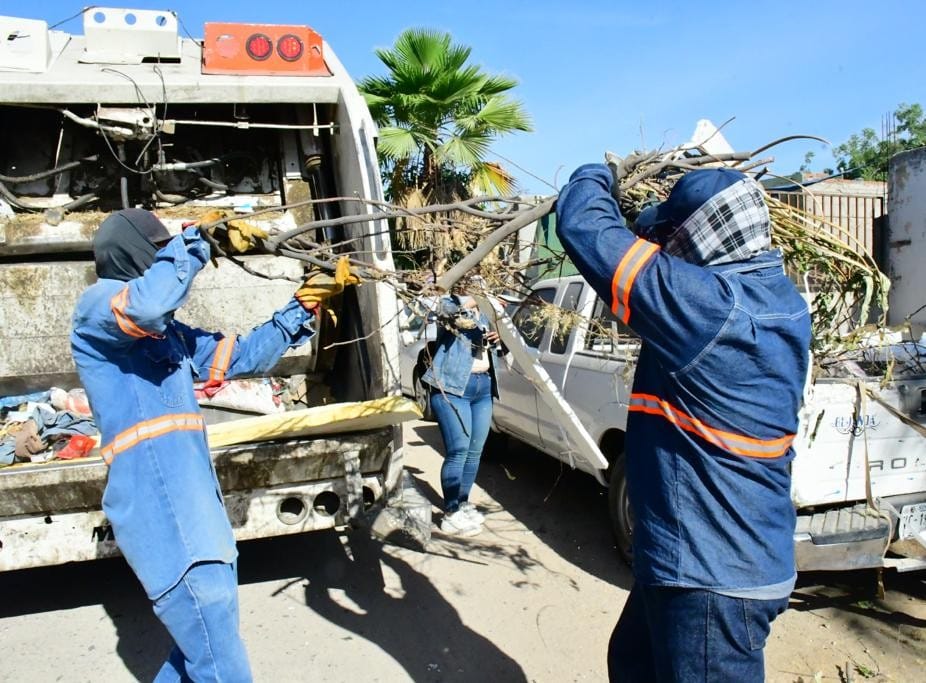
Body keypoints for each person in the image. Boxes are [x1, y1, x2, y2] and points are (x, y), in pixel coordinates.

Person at [70, 209, 355, 682]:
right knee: (219, 660)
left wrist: (302, 304)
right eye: (160, 251)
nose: (167, 259)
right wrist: (196, 241)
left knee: (201, 648)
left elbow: (241, 356)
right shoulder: (97, 308)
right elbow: (144, 304)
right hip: (165, 519)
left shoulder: (171, 336)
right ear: (137, 254)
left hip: (197, 517)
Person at [555, 165, 811, 682]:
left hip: (714, 579)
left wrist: (595, 175)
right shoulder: (776, 299)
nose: (665, 249)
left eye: (672, 236)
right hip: (687, 559)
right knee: (631, 662)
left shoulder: (711, 311)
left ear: (701, 233)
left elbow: (584, 226)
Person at [421, 287, 503, 537]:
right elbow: (437, 308)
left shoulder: (486, 312)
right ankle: (451, 512)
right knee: (459, 451)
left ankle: (463, 503)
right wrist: (478, 298)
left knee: (475, 452)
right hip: (453, 388)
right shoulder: (452, 303)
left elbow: (497, 348)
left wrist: (498, 340)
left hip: (483, 385)